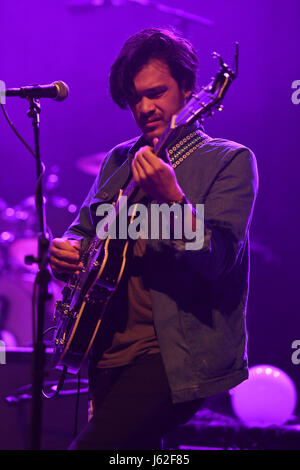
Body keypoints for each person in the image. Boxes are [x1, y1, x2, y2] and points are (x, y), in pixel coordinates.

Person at [49, 28, 258, 450]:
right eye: (135, 99)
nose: (145, 108)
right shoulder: (119, 159)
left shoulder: (229, 160)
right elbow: (83, 230)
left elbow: (218, 259)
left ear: (187, 90)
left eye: (157, 93)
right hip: (107, 352)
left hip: (174, 357)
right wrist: (67, 251)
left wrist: (175, 200)